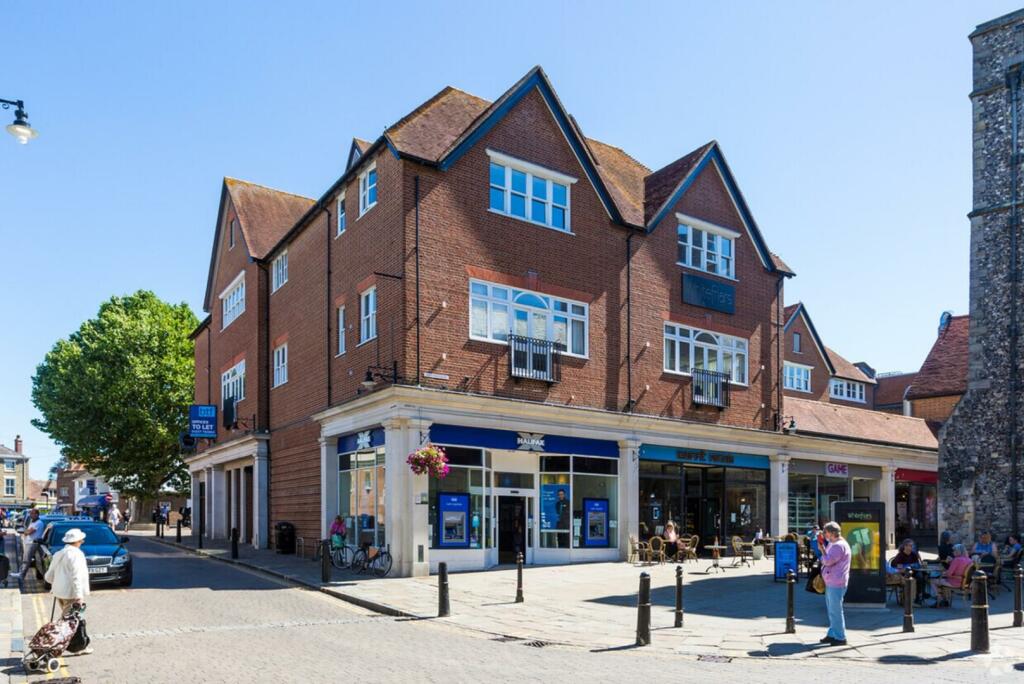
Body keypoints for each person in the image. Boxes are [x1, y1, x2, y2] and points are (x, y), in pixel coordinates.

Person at [44, 528, 92, 655]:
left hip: (59, 593)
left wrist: (57, 584)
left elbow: (49, 576)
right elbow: (76, 576)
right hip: (71, 594)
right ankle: (60, 646)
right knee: (69, 623)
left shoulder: (59, 553)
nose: (83, 541)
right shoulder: (76, 554)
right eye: (81, 539)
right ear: (77, 541)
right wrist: (78, 596)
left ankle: (78, 646)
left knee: (70, 621)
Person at [818, 521, 851, 646]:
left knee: (835, 610)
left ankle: (840, 637)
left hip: (836, 582)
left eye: (825, 532)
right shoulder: (834, 544)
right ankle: (833, 633)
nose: (824, 535)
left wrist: (821, 550)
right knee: (832, 610)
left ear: (832, 533)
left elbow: (827, 560)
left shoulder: (838, 546)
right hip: (833, 581)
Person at [11, 509, 45, 580]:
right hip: (29, 543)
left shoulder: (39, 523)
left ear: (37, 514)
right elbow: (27, 531)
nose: (31, 515)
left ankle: (21, 575)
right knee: (26, 559)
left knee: (26, 560)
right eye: (30, 514)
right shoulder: (33, 522)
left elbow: (29, 532)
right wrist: (27, 531)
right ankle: (21, 573)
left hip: (32, 543)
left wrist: (26, 532)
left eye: (33, 513)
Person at [890, 538, 926, 603]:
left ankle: (920, 595)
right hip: (904, 573)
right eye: (910, 546)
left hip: (914, 572)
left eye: (912, 546)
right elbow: (895, 565)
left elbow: (917, 564)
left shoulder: (913, 554)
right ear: (905, 546)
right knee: (918, 577)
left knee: (923, 575)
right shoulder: (900, 555)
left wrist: (915, 565)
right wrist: (905, 566)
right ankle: (916, 596)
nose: (912, 547)